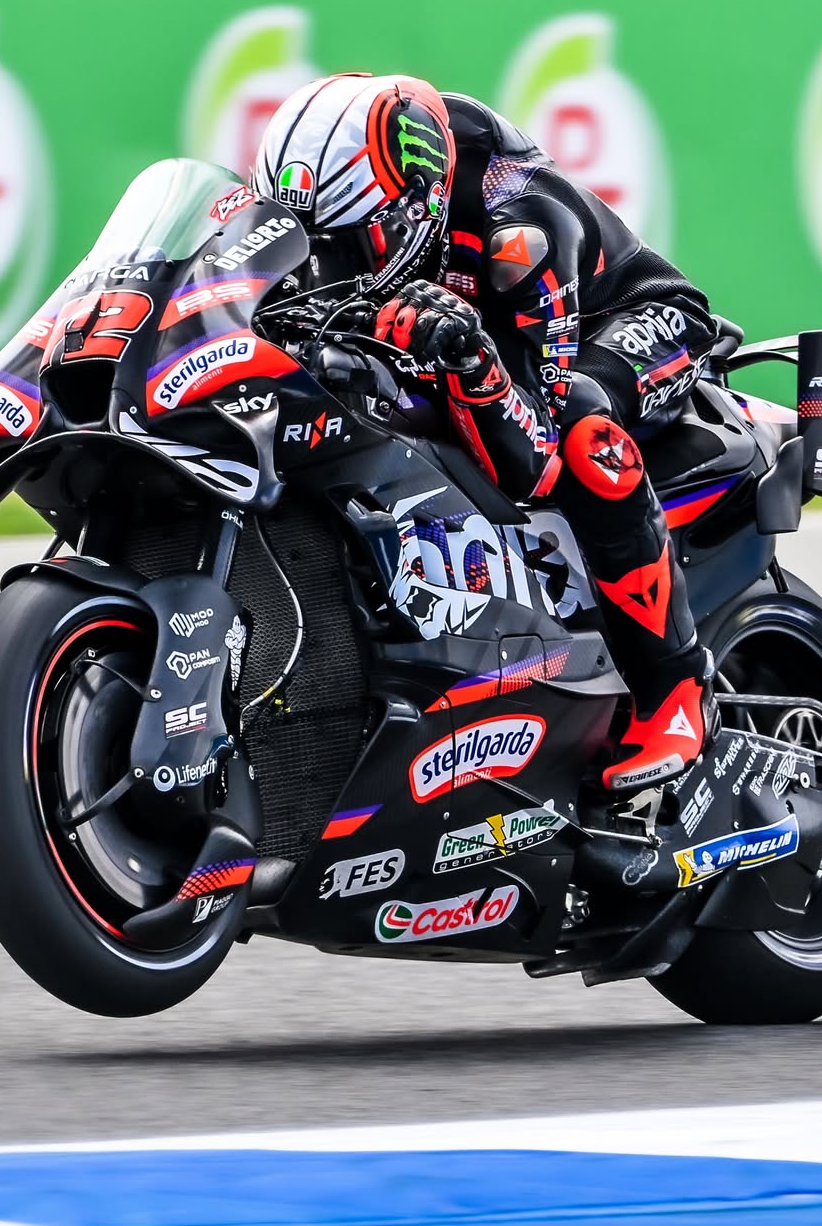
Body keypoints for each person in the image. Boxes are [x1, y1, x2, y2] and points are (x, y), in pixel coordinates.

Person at [252, 74, 719, 793]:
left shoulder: (518, 229)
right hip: (489, 328)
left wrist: (471, 360)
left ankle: (675, 695)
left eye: (349, 246)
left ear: (416, 208)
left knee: (587, 434)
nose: (328, 269)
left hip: (624, 324)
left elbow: (534, 461)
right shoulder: (358, 200)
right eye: (313, 247)